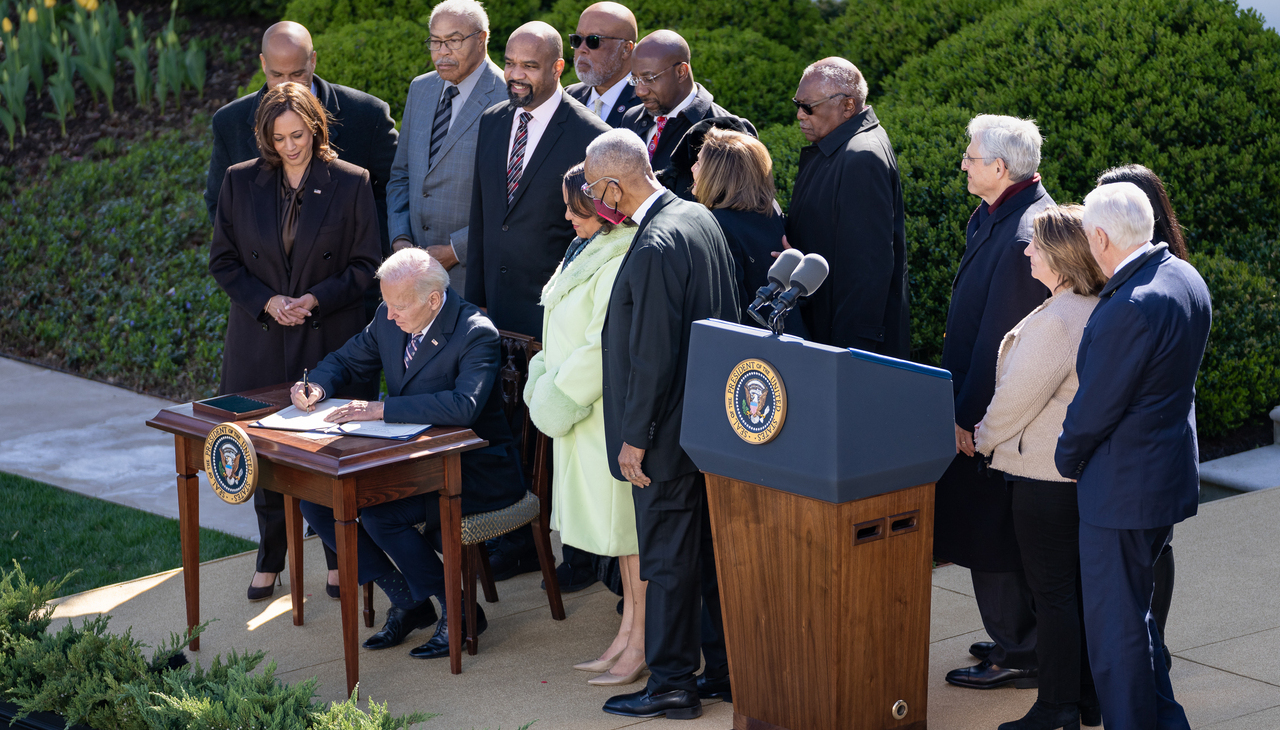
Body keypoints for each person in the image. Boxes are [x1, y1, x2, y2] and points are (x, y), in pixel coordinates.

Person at [291, 248, 527, 659]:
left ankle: (459, 610)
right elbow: (344, 360)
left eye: (398, 305)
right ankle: (408, 598)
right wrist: (316, 387)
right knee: (317, 500)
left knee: (383, 515)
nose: (389, 314)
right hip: (412, 461)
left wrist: (382, 409)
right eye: (385, 302)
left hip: (475, 469)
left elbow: (462, 407)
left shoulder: (475, 331)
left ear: (433, 299)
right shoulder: (391, 318)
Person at [587, 129, 741, 720]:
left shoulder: (654, 243)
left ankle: (673, 682)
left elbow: (652, 353)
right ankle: (724, 670)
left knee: (669, 561)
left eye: (595, 188)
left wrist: (635, 439)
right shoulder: (698, 217)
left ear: (611, 185)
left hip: (665, 437)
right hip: (702, 424)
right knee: (702, 557)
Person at [209, 82, 381, 603]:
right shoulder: (240, 183)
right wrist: (267, 300)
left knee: (329, 451)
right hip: (258, 342)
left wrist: (313, 299)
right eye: (280, 137)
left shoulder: (352, 183)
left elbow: (366, 266)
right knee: (259, 451)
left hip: (327, 338)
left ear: (316, 128)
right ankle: (270, 557)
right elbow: (224, 261)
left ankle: (335, 555)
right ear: (265, 136)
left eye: (299, 134)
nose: (291, 146)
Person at [1056, 182, 1211, 730]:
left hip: (1120, 492)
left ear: (1099, 236)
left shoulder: (1130, 305)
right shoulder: (1184, 277)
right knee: (1139, 623)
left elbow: (1093, 410)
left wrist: (1065, 459)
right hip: (1163, 480)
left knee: (1117, 634)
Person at [465, 20, 611, 584]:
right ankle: (515, 540)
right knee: (506, 427)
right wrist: (473, 309)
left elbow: (597, 236)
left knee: (556, 432)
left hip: (555, 316)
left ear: (557, 68)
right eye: (511, 63)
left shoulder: (588, 136)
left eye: (530, 66)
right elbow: (483, 220)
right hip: (496, 312)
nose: (516, 76)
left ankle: (570, 550)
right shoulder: (492, 122)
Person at [974, 205, 1105, 730]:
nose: (1027, 251)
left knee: (1052, 596)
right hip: (1074, 477)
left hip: (1044, 480)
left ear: (1061, 258)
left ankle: (1055, 709)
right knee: (1073, 592)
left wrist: (983, 440)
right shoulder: (1093, 307)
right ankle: (1087, 700)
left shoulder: (1058, 320)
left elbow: (1015, 400)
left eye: (1035, 245)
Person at [937, 114, 1051, 690]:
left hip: (992, 422)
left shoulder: (1024, 233)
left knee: (991, 532)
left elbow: (1000, 340)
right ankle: (1017, 634)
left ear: (1000, 168)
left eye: (971, 156)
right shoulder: (995, 215)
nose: (963, 162)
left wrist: (967, 417)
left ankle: (1021, 651)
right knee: (989, 527)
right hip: (980, 411)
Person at [523, 163, 643, 686]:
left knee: (631, 538)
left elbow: (601, 345)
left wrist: (552, 395)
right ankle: (628, 635)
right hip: (582, 416)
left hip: (602, 415)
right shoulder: (589, 248)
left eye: (579, 208)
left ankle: (639, 642)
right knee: (622, 543)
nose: (569, 217)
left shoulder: (620, 257)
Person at [1095, 164, 1187, 672]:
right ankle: (1154, 646)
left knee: (1151, 550)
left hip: (1137, 443)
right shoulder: (1175, 272)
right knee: (1158, 545)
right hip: (1164, 441)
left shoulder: (1141, 285)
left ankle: (1152, 646)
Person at [206, 21, 397, 259]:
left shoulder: (368, 115)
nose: (287, 84)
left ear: (313, 61)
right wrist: (254, 266)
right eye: (277, 74)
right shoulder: (229, 122)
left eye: (297, 74)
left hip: (348, 284)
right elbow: (219, 202)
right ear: (263, 63)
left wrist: (366, 255)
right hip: (264, 287)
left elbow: (396, 187)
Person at [783, 58, 908, 356]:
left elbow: (866, 274)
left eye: (808, 107)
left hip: (846, 349)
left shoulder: (862, 157)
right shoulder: (840, 147)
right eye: (797, 104)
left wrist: (847, 356)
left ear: (848, 106)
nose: (800, 115)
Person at [386, 0, 506, 297]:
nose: (442, 52)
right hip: (413, 275)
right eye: (436, 42)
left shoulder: (507, 96)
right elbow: (402, 175)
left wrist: (456, 250)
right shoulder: (421, 88)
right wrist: (400, 239)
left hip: (473, 279)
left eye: (453, 41)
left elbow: (513, 201)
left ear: (482, 39)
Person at [691, 126, 805, 335]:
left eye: (699, 162)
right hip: (790, 340)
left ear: (718, 174)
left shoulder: (717, 225)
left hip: (749, 354)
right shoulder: (771, 210)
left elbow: (725, 311)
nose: (692, 168)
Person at [620, 30, 755, 200]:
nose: (640, 91)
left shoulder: (729, 131)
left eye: (649, 78)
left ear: (681, 72)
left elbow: (736, 209)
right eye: (635, 80)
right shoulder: (631, 118)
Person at [563, 2, 639, 127]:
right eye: (577, 39)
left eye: (593, 40)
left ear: (626, 49)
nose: (582, 48)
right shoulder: (569, 97)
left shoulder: (647, 101)